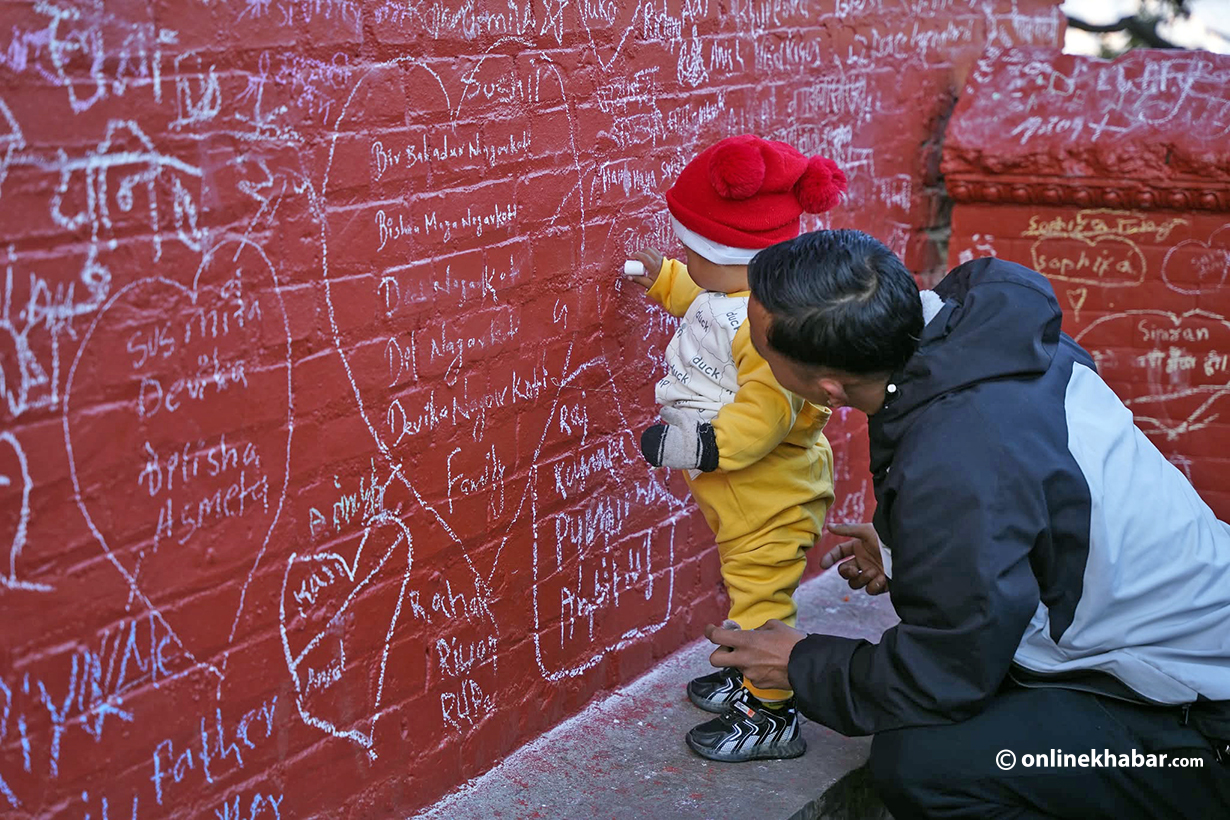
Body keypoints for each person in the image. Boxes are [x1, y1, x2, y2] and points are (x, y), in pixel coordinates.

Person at [704, 229, 1230, 816]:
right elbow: (1021, 502)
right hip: (1185, 647)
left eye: (755, 344)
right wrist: (917, 547)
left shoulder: (960, 462)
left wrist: (801, 661)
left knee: (926, 765)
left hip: (1200, 724)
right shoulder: (982, 336)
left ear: (827, 387)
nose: (741, 346)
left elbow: (947, 673)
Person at [623, 134, 847, 761]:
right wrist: (662, 277)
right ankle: (747, 674)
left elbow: (764, 417)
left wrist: (690, 444)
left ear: (735, 257)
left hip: (772, 497)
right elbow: (700, 304)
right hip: (742, 494)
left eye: (693, 251)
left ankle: (772, 712)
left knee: (760, 598)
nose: (686, 259)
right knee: (744, 589)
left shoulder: (766, 330)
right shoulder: (735, 300)